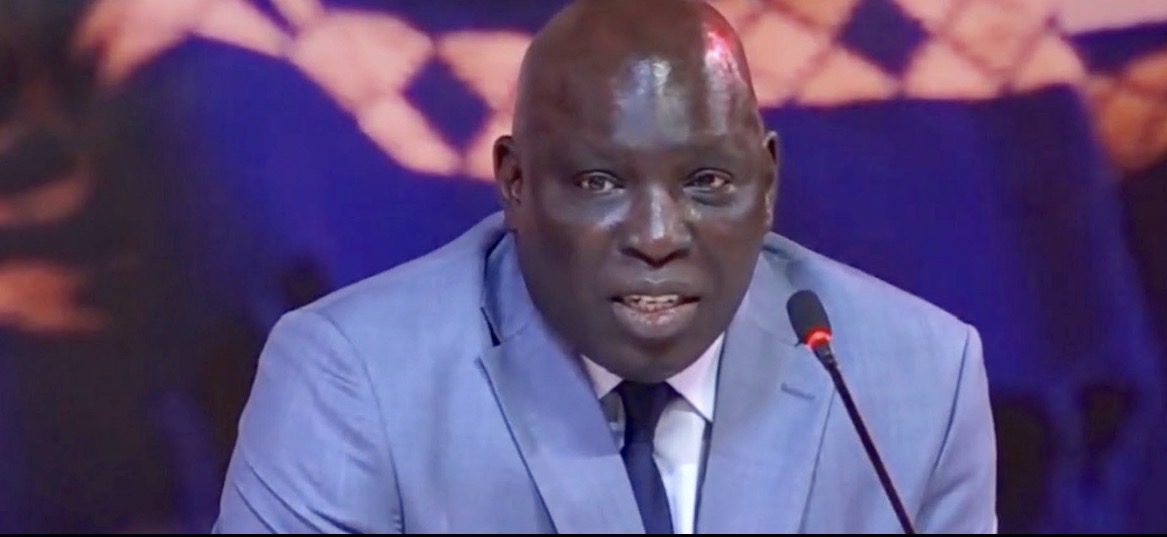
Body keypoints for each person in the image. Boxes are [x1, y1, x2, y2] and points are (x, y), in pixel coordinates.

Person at [212, 0, 997, 533]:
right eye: (598, 182)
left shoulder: (916, 379)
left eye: (706, 181)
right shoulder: (355, 381)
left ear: (766, 186)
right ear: (516, 184)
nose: (656, 237)